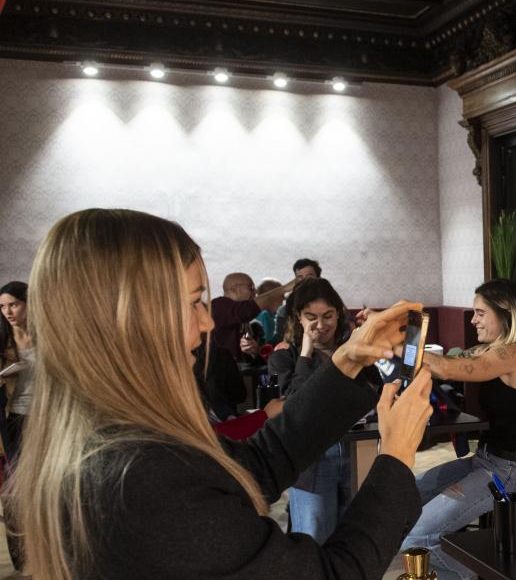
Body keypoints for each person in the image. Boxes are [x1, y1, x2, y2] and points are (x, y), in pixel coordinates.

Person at [4, 208, 433, 579]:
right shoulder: (140, 481)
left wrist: (349, 360)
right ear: (131, 320)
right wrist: (394, 457)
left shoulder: (122, 437)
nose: (208, 324)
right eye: (194, 303)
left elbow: (259, 463)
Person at [400, 278, 516, 580]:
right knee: (405, 493)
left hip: (509, 472)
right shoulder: (490, 350)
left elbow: (449, 368)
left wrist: (405, 345)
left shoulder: (512, 355)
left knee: (419, 537)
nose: (472, 319)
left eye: (479, 312)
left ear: (505, 314)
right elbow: (448, 360)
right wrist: (397, 337)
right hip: (486, 460)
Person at [267, 277, 359, 542]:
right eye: (311, 317)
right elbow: (294, 408)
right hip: (312, 461)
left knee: (350, 541)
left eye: (328, 316)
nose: (321, 325)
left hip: (356, 451)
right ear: (298, 317)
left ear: (338, 314)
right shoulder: (284, 357)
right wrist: (306, 354)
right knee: (313, 540)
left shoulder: (348, 352)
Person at [0, 280, 31, 571]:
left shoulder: (49, 336)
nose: (8, 311)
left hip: (46, 417)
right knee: (13, 489)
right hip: (13, 421)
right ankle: (21, 558)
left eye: (14, 304)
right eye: (3, 306)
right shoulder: (2, 340)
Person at [211, 272, 292, 361]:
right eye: (251, 287)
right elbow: (248, 309)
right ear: (234, 289)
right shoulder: (218, 305)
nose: (255, 292)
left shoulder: (244, 321)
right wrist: (284, 288)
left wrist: (256, 350)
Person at [254, 278, 284, 345]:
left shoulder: (260, 314)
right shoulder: (265, 316)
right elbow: (267, 341)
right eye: (281, 296)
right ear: (272, 299)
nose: (283, 299)